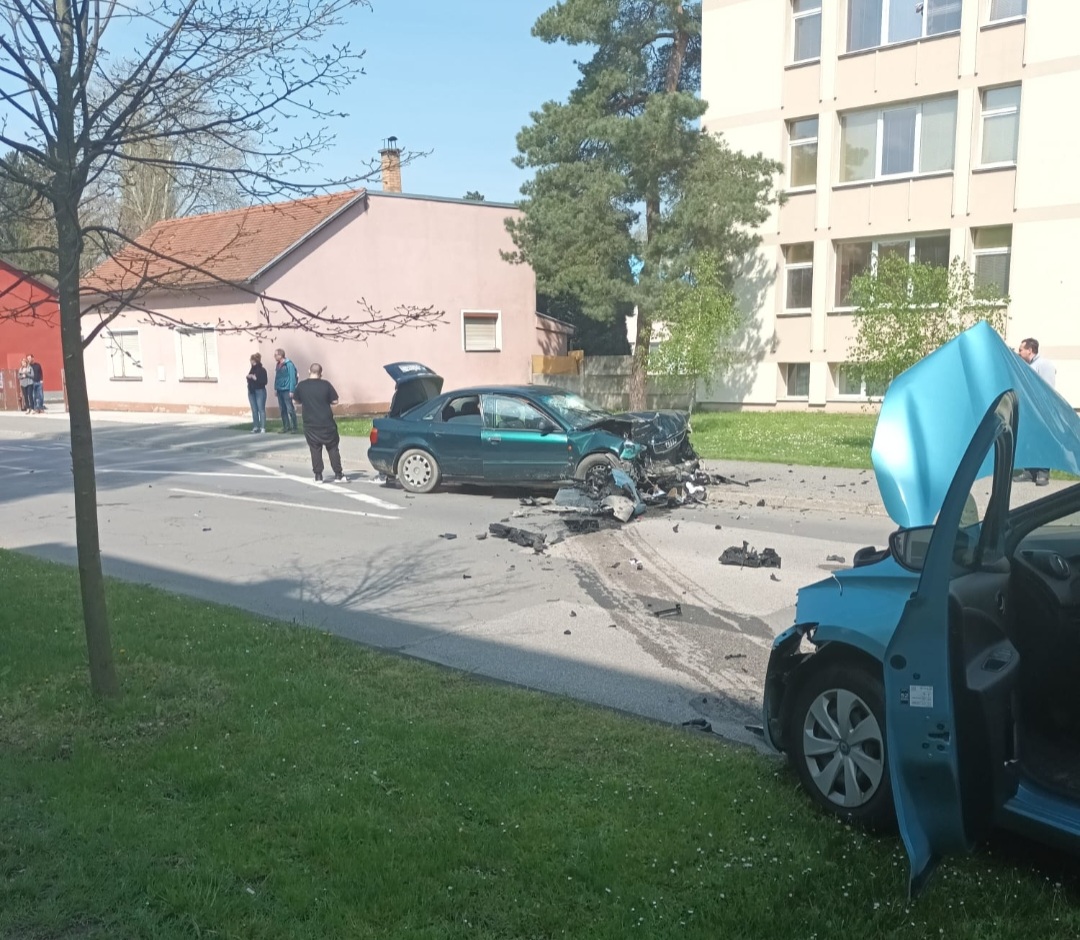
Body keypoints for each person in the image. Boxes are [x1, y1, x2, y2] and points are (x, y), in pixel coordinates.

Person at [291, 363, 346, 483]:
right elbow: (335, 400)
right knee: (332, 448)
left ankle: (318, 475)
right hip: (326, 422)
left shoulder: (302, 386)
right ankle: (338, 474)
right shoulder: (326, 385)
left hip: (310, 423)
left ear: (309, 371)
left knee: (315, 449)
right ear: (321, 373)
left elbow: (295, 401)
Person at [1018, 337, 1057, 486]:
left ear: (1029, 350)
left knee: (1043, 439)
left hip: (1043, 409)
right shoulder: (1031, 365)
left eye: (1021, 349)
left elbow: (1045, 389)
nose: (1019, 352)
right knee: (1030, 440)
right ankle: (1029, 471)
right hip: (1031, 409)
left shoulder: (1044, 365)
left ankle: (1043, 472)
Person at [273, 348, 298, 432]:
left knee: (290, 408)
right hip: (280, 389)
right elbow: (277, 377)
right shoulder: (278, 365)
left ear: (280, 355)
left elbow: (292, 377)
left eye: (276, 355)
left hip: (287, 389)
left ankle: (294, 426)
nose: (274, 356)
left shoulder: (289, 364)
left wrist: (292, 390)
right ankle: (286, 426)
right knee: (282, 409)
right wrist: (275, 388)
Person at [246, 352, 268, 433]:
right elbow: (249, 379)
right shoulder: (252, 369)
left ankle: (263, 427)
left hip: (260, 391)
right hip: (251, 391)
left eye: (251, 360)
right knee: (254, 409)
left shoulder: (262, 370)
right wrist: (249, 377)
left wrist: (255, 378)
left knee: (261, 409)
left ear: (254, 361)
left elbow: (264, 382)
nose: (251, 362)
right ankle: (256, 426)